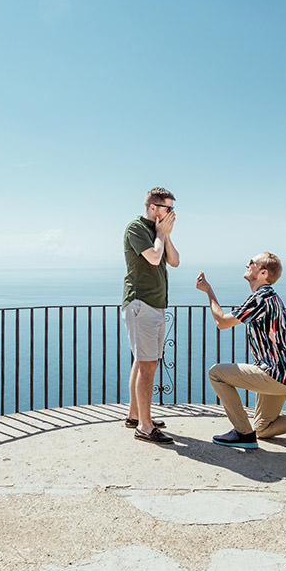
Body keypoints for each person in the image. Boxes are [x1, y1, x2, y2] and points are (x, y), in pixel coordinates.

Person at [196, 252, 286, 450]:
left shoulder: (261, 298)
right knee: (263, 429)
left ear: (263, 273)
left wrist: (209, 291)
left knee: (216, 373)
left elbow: (221, 322)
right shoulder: (270, 297)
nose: (247, 263)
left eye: (252, 262)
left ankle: (243, 433)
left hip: (273, 374)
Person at [122, 187, 180, 444]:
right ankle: (145, 427)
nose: (172, 213)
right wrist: (159, 234)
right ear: (153, 207)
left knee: (143, 362)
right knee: (148, 365)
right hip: (141, 303)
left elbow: (174, 261)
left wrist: (165, 235)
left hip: (155, 305)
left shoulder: (158, 233)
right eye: (168, 208)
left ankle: (136, 416)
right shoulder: (136, 228)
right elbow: (155, 259)